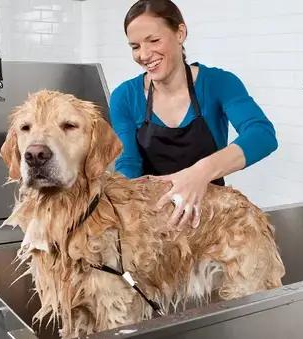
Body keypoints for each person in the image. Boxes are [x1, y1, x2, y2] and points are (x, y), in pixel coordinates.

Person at [108, 0, 278, 230]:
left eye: (154, 40)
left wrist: (199, 173)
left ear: (180, 32)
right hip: (154, 221)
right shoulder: (125, 96)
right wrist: (122, 204)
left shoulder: (218, 83)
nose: (144, 55)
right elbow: (128, 162)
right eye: (135, 46)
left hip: (212, 221)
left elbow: (262, 134)